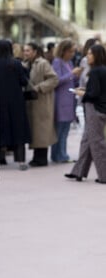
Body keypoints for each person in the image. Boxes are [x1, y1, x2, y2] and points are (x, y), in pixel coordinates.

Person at [65, 44, 106, 183]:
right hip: (98, 109)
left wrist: (81, 93)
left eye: (90, 54)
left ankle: (104, 176)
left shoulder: (95, 71)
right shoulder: (102, 70)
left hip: (95, 110)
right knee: (87, 141)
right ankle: (78, 171)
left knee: (97, 143)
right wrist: (85, 89)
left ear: (97, 55)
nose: (87, 56)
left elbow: (93, 94)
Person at [0, 39, 30, 170]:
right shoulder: (16, 64)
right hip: (16, 101)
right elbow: (24, 82)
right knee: (18, 129)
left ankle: (1, 158)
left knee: (0, 128)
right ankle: (21, 160)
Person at [23, 42, 59, 166]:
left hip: (42, 102)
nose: (25, 53)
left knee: (41, 131)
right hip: (32, 103)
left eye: (28, 50)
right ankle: (37, 157)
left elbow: (54, 79)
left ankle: (41, 158)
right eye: (25, 50)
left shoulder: (43, 63)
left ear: (35, 51)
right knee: (36, 131)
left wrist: (38, 88)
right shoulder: (26, 64)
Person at [51, 39, 83, 163]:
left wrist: (76, 78)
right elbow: (57, 80)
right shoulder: (57, 62)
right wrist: (71, 73)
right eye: (70, 51)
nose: (72, 54)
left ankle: (62, 154)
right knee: (59, 130)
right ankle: (58, 155)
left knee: (65, 130)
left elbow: (70, 80)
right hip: (60, 100)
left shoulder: (68, 62)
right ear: (63, 50)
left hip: (69, 99)